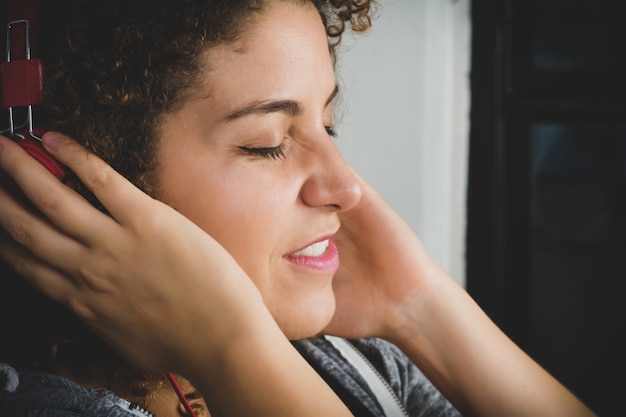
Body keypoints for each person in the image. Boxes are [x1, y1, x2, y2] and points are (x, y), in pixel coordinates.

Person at [0, 0, 597, 416]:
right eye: (267, 144)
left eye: (329, 126)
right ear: (71, 181)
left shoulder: (357, 368)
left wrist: (418, 306)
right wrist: (229, 350)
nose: (347, 186)